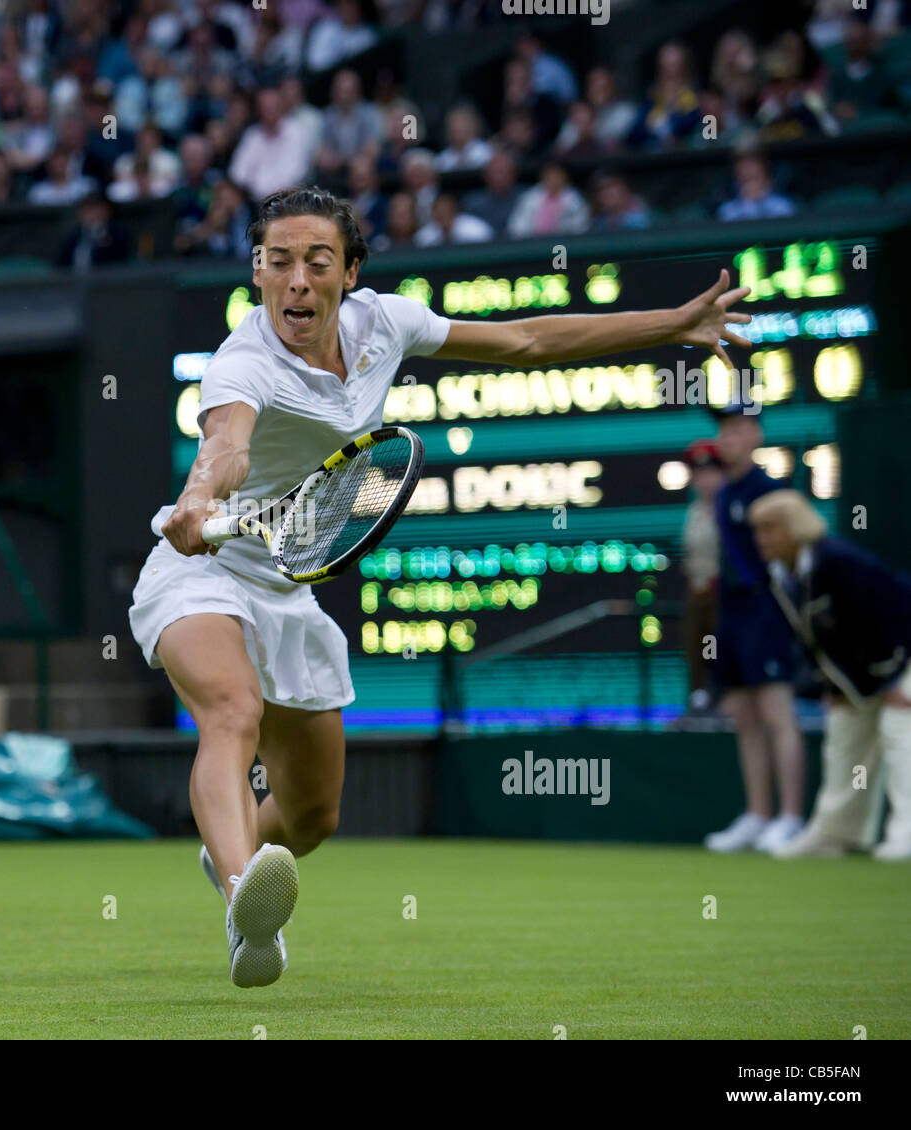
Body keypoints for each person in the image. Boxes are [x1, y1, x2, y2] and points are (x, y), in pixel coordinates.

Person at [129, 184, 754, 987]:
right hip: (201, 571)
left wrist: (673, 323)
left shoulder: (386, 323)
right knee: (231, 710)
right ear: (256, 272)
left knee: (314, 817)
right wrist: (198, 498)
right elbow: (228, 445)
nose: (295, 282)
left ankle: (237, 855)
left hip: (288, 588)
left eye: (317, 262)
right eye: (276, 262)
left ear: (349, 271)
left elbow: (526, 340)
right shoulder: (242, 362)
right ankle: (247, 905)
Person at [750, 491, 911, 861]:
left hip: (901, 653)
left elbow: (882, 620)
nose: (761, 538)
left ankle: (907, 834)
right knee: (845, 736)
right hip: (864, 670)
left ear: (794, 528)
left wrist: (889, 680)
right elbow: (815, 638)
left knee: (900, 728)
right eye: (757, 529)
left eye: (769, 529)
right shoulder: (779, 575)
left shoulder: (840, 562)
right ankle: (837, 834)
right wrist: (831, 685)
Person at [702, 402, 806, 853]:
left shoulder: (769, 489)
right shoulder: (725, 492)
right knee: (743, 716)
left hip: (767, 609)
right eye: (723, 430)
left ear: (756, 437)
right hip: (732, 613)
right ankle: (758, 815)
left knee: (776, 714)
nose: (727, 438)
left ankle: (791, 818)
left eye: (737, 430)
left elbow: (794, 559)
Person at [680, 440, 723, 714]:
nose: (704, 481)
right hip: (697, 595)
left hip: (722, 595)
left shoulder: (728, 508)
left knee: (720, 653)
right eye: (699, 475)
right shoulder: (694, 511)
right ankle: (698, 701)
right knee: (696, 651)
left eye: (709, 474)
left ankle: (722, 701)